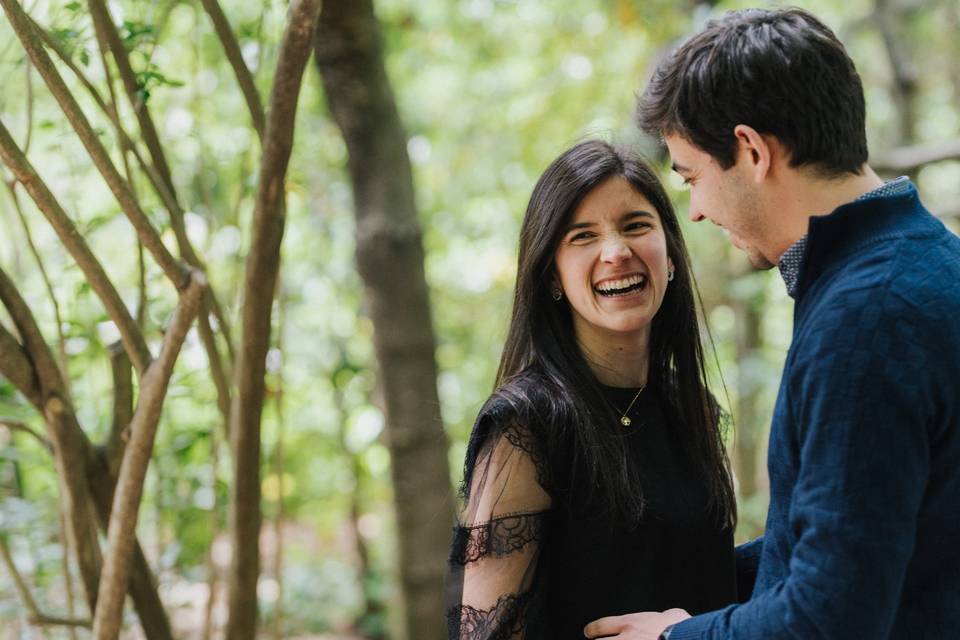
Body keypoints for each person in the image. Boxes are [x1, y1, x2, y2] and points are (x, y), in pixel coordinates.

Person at [585, 8, 960, 640]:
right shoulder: (926, 260)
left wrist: (674, 639)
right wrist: (690, 588)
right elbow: (857, 535)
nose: (697, 211)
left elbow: (829, 618)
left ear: (753, 151)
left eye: (693, 176)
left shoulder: (865, 319)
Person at [445, 139, 739, 639]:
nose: (616, 252)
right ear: (552, 275)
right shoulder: (526, 423)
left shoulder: (693, 409)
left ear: (669, 254)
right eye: (582, 236)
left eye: (635, 226)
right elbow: (485, 635)